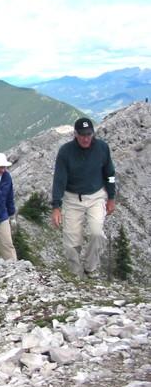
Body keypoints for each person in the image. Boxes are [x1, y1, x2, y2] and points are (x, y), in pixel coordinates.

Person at [51, 117, 116, 278]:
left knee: (97, 233)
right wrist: (56, 207)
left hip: (96, 196)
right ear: (75, 134)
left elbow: (110, 174)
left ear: (93, 133)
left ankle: (90, 268)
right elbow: (59, 179)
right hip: (72, 198)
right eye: (82, 135)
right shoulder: (65, 152)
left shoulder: (102, 148)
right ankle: (76, 274)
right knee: (71, 243)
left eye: (89, 134)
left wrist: (112, 197)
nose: (86, 138)